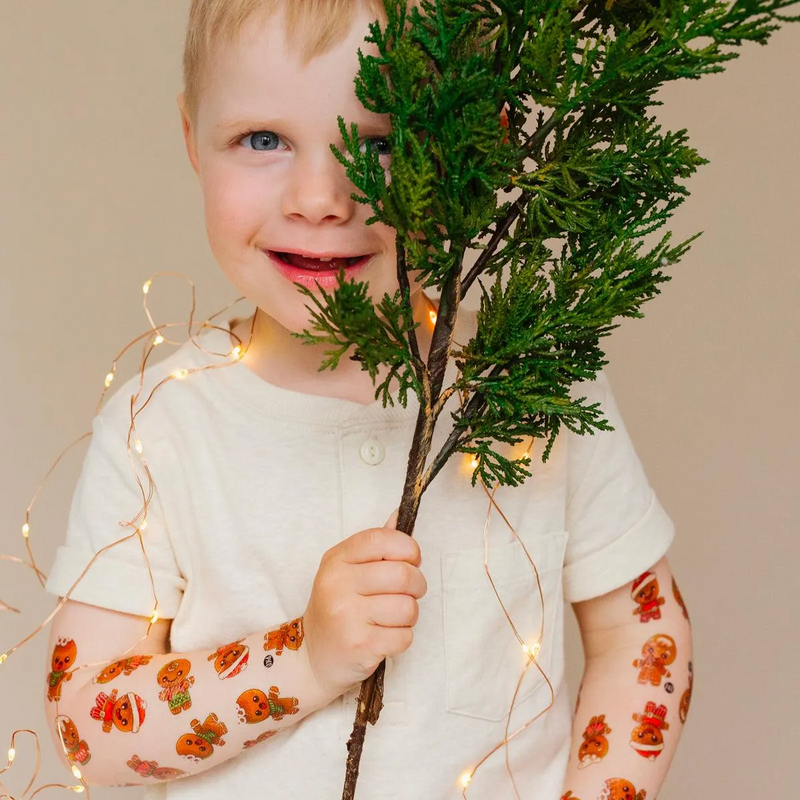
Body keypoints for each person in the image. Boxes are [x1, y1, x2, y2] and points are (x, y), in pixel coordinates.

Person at [43, 1, 692, 798]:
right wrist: (302, 657)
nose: (321, 196)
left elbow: (642, 635)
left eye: (383, 145)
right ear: (190, 139)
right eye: (263, 139)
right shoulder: (162, 425)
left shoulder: (536, 380)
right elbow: (87, 728)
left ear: (474, 147)